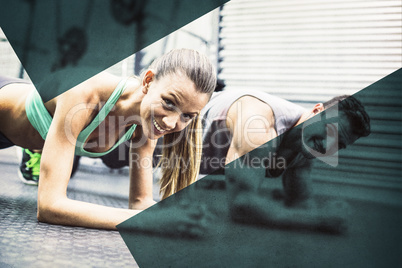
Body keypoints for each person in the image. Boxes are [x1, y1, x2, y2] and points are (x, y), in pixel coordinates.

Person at [0, 48, 217, 231]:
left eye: (187, 116)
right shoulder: (83, 93)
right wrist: (153, 221)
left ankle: (40, 147)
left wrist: (181, 217)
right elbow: (49, 206)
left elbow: (140, 202)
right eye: (169, 103)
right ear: (148, 81)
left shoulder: (147, 123)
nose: (171, 123)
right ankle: (39, 148)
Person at [200, 89, 370, 232]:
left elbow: (301, 203)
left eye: (338, 144)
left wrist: (330, 212)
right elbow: (242, 206)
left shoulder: (307, 143)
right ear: (317, 111)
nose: (327, 146)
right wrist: (321, 220)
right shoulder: (258, 126)